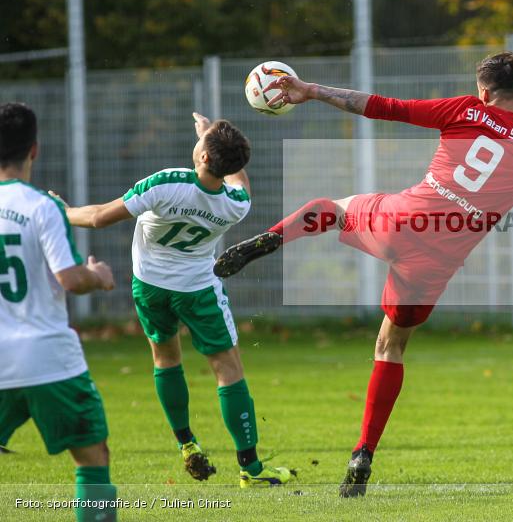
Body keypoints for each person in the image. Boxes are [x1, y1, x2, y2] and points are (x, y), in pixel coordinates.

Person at [214, 51, 513, 497]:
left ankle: (274, 237)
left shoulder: (465, 109)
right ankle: (363, 452)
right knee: (390, 347)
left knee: (333, 209)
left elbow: (380, 107)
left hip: (401, 221)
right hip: (436, 262)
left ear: (482, 91)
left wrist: (311, 91)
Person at [59, 113, 295, 488]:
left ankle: (187, 443)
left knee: (166, 359)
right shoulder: (235, 205)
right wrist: (216, 141)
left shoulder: (167, 183)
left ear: (203, 156)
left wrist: (62, 211)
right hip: (198, 290)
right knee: (227, 368)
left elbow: (100, 217)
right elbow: (238, 181)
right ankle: (251, 469)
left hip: (150, 287)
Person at [0, 103, 117, 521]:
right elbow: (69, 279)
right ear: (34, 150)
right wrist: (98, 275)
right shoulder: (42, 207)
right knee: (92, 458)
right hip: (48, 359)